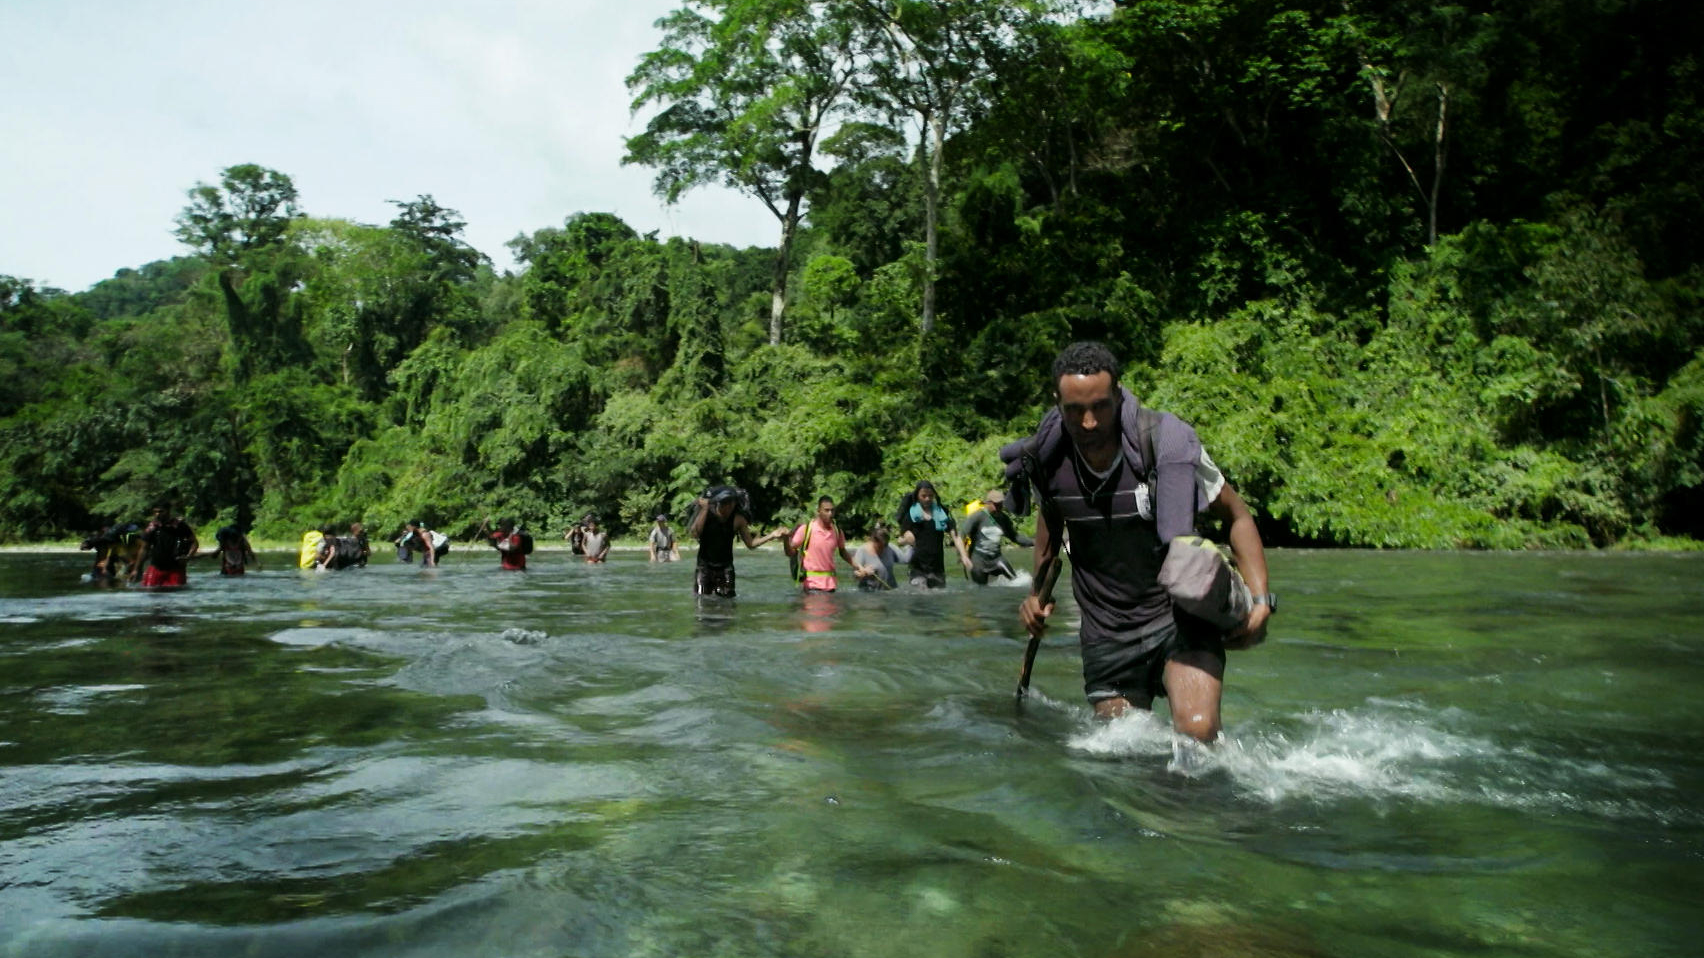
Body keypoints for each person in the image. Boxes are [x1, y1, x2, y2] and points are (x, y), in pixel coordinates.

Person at [1012, 341, 1272, 742]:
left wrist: (1260, 599)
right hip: (1106, 630)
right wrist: (1035, 595)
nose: (1088, 423)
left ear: (1118, 393)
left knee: (1198, 735)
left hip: (1179, 617)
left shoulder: (1163, 445)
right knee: (1124, 754)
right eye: (1074, 410)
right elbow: (1050, 519)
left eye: (1100, 406)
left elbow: (1236, 516)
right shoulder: (1048, 460)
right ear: (1057, 403)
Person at [686, 485, 786, 597]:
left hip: (725, 568)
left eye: (731, 504)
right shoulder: (707, 515)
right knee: (702, 600)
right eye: (725, 504)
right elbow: (695, 534)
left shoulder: (738, 520)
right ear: (718, 503)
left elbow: (751, 544)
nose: (728, 508)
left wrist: (771, 535)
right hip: (704, 568)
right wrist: (704, 509)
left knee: (728, 603)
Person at [896, 480, 972, 589]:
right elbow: (899, 540)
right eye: (924, 496)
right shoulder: (911, 515)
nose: (927, 499)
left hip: (937, 568)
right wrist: (906, 540)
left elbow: (955, 536)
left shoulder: (941, 514)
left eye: (930, 496)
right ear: (917, 496)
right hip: (918, 568)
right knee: (922, 595)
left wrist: (964, 556)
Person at [782, 496, 867, 592]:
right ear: (819, 511)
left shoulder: (837, 531)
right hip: (812, 587)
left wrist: (859, 566)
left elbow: (843, 552)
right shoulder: (806, 529)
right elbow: (789, 553)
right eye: (826, 510)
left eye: (832, 510)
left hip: (831, 586)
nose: (830, 514)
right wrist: (785, 539)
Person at [961, 490, 1033, 585]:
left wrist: (1035, 542)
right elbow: (962, 534)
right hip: (978, 560)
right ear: (988, 503)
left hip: (996, 559)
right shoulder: (978, 517)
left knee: (1017, 582)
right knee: (981, 590)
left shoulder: (1004, 519)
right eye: (996, 505)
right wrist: (962, 555)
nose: (998, 507)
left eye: (1000, 504)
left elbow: (1015, 537)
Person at [131, 502, 199, 588]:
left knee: (177, 593)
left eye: (161, 511)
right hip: (156, 567)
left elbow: (194, 543)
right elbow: (144, 549)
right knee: (150, 592)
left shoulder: (179, 526)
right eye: (155, 512)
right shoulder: (152, 528)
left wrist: (188, 557)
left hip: (176, 568)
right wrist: (136, 569)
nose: (157, 514)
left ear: (168, 511)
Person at [851, 523, 913, 591]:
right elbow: (855, 576)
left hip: (891, 591)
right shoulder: (862, 551)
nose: (883, 549)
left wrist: (911, 544)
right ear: (873, 541)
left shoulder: (890, 547)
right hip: (869, 594)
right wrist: (864, 573)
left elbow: (905, 560)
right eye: (880, 547)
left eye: (885, 546)